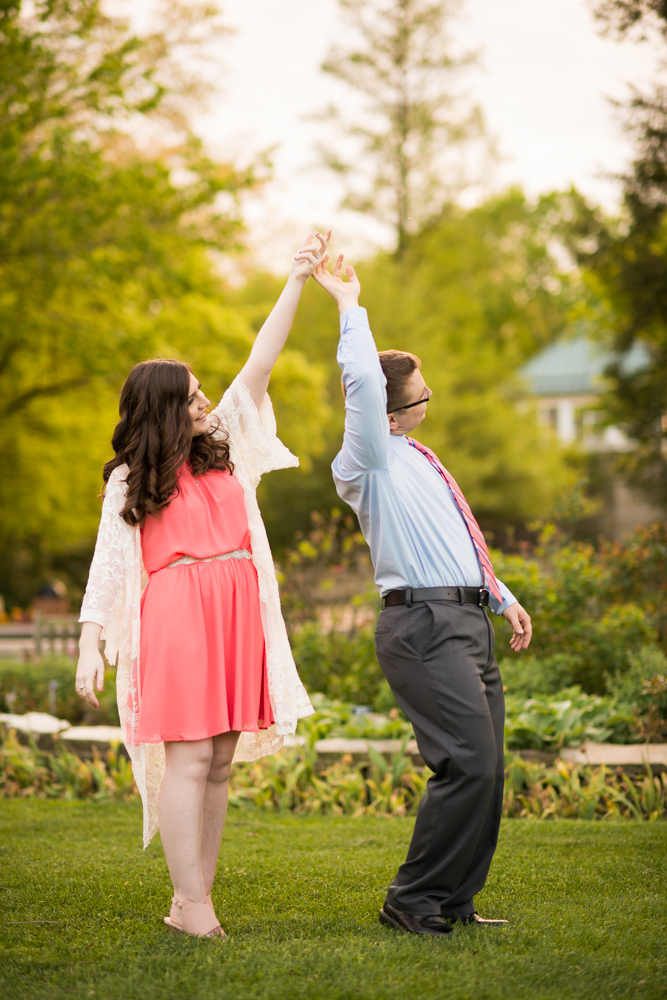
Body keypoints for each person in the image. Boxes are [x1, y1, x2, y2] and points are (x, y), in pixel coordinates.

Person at [75, 232, 329, 939]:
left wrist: (296, 280)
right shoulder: (132, 479)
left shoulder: (225, 451)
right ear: (160, 410)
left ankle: (193, 899)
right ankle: (193, 903)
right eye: (190, 398)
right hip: (180, 618)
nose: (205, 401)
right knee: (188, 754)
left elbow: (260, 362)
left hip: (237, 612)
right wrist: (90, 643)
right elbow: (109, 564)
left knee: (218, 756)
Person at [312, 252, 532, 938]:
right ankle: (410, 900)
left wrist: (499, 595)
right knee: (464, 761)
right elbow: (359, 386)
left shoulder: (422, 463)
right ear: (392, 408)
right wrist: (350, 307)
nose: (429, 396)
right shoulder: (367, 460)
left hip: (467, 617)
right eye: (422, 391)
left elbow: (449, 539)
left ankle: (453, 901)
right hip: (424, 625)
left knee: (488, 768)